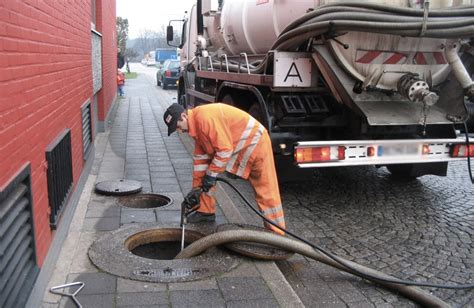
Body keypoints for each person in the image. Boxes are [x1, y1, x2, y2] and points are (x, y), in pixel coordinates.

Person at [163, 103, 286, 235]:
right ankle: (206, 212)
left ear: (183, 116)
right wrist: (196, 191)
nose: (180, 131)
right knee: (206, 174)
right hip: (244, 146)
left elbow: (224, 151)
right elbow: (200, 165)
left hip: (257, 144)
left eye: (178, 127)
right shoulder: (196, 128)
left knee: (266, 191)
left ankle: (277, 234)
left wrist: (211, 175)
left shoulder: (204, 119)